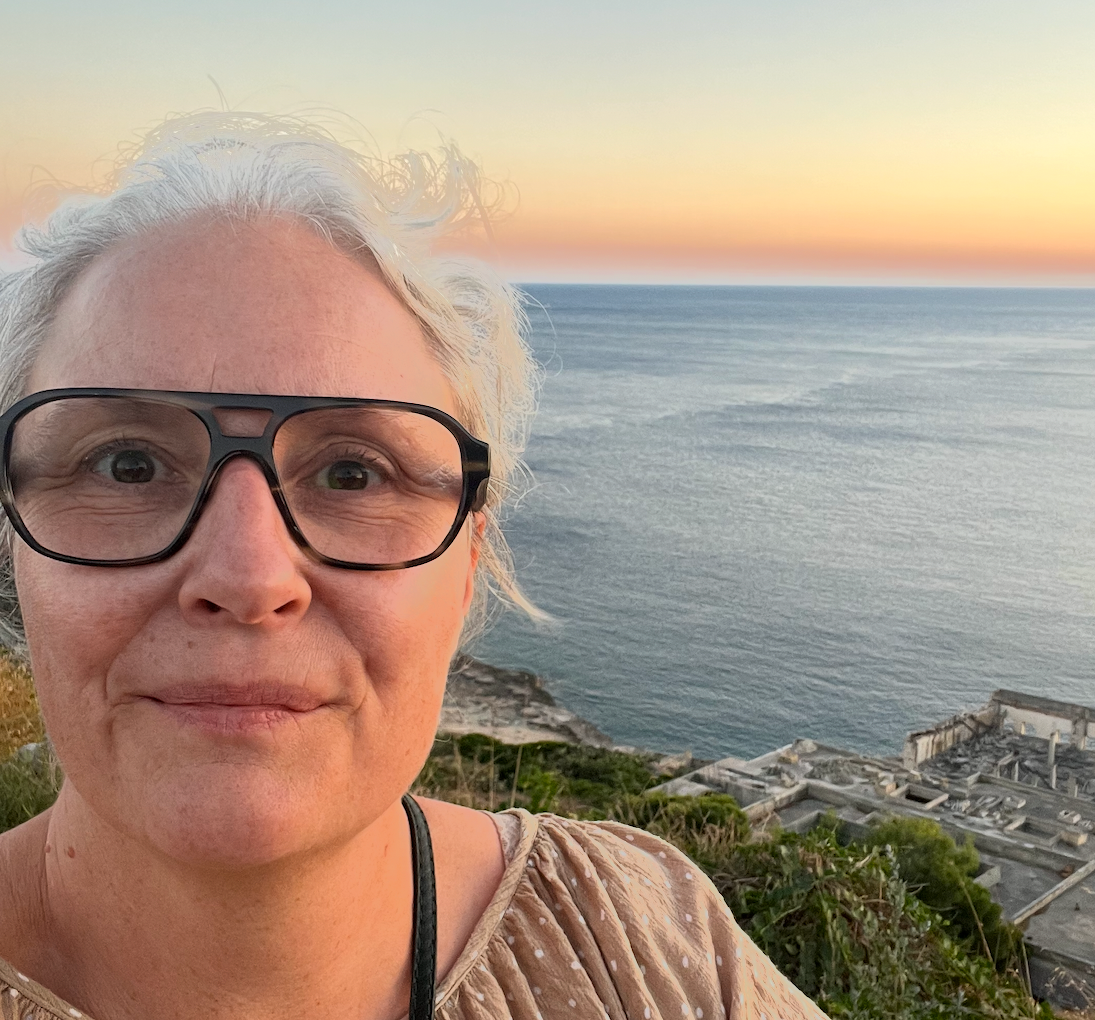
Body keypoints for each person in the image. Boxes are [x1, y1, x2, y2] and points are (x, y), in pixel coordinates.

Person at [0, 113, 826, 1020]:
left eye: (353, 474)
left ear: (470, 560)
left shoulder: (643, 949)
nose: (248, 577)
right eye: (127, 465)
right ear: (12, 537)